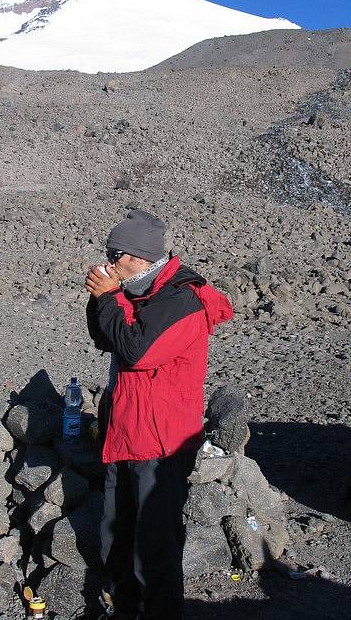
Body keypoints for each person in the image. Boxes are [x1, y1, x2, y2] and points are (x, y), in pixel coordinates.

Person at [85, 209, 234, 620]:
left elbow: (138, 352)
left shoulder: (181, 299)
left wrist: (110, 298)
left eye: (116, 254)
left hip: (161, 443)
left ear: (138, 257)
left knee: (154, 546)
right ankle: (124, 608)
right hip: (126, 434)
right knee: (115, 538)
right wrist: (101, 299)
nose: (110, 262)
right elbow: (105, 338)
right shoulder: (140, 293)